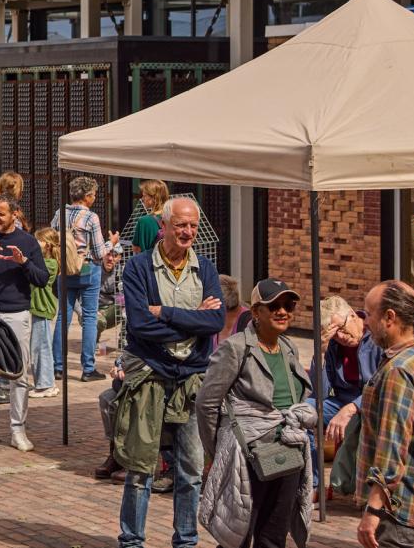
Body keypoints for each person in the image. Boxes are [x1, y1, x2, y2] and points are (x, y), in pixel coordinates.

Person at [114, 197, 224, 548]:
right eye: (181, 225)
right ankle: (131, 541)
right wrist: (194, 321)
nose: (188, 232)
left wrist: (165, 312)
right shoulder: (139, 268)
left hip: (191, 376)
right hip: (150, 372)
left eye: (193, 225)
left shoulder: (204, 268)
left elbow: (217, 321)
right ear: (163, 226)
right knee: (140, 468)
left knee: (190, 472)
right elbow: (140, 326)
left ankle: (186, 541)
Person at [196, 279, 318, 548]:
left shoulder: (289, 348)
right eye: (273, 305)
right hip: (248, 454)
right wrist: (218, 450)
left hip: (288, 452)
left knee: (274, 537)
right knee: (237, 535)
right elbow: (206, 403)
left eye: (288, 305)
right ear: (255, 312)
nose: (282, 311)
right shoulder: (236, 348)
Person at [356, 282, 414, 548]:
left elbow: (391, 449)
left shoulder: (400, 370)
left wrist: (373, 510)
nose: (365, 322)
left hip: (399, 510)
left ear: (390, 317)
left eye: (368, 314)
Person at [0, 198, 48, 452]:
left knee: (19, 372)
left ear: (15, 214)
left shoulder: (27, 241)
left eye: (1, 214)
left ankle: (18, 429)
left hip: (18, 313)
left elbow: (42, 279)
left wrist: (23, 263)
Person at [52, 176, 117, 382]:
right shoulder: (91, 218)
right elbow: (99, 253)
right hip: (88, 269)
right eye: (94, 194)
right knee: (89, 317)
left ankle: (58, 367)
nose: (95, 198)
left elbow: (53, 239)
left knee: (63, 317)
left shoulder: (59, 214)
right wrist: (111, 243)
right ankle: (88, 368)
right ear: (87, 196)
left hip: (65, 268)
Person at [318, 294, 384, 493]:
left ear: (354, 316)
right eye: (334, 333)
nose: (340, 337)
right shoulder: (334, 346)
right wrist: (321, 352)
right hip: (340, 403)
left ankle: (363, 487)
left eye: (342, 329)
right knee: (306, 412)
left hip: (372, 404)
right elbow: (320, 392)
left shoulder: (376, 336)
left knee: (363, 421)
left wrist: (353, 407)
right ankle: (314, 484)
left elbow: (382, 385)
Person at [27, 227, 61, 400]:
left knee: (42, 348)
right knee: (38, 347)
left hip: (43, 309)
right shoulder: (44, 261)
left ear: (47, 245)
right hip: (38, 309)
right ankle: (44, 382)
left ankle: (46, 384)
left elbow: (34, 273)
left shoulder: (51, 264)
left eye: (38, 240)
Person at [129, 180, 170, 254]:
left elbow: (136, 249)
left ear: (154, 197)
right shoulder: (173, 218)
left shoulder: (144, 221)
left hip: (148, 264)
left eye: (144, 196)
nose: (142, 199)